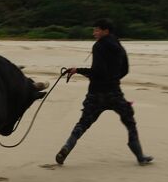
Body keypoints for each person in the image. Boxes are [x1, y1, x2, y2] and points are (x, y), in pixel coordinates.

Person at [56, 18, 153, 165]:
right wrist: (113, 79)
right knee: (129, 121)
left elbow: (97, 72)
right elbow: (125, 70)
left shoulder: (99, 46)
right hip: (114, 93)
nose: (94, 33)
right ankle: (140, 156)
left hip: (96, 93)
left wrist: (78, 70)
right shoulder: (119, 46)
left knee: (83, 123)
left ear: (105, 31)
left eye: (96, 30)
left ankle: (67, 147)